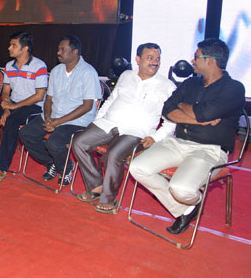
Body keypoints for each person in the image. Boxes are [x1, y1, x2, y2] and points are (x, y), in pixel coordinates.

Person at [129, 38, 245, 234]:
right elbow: (168, 109)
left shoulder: (234, 88)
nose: (192, 61)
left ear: (210, 60)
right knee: (137, 167)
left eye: (196, 57)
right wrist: (199, 118)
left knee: (181, 189)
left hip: (209, 149)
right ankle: (186, 209)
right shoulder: (190, 83)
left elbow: (206, 113)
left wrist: (183, 107)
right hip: (177, 142)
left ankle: (190, 202)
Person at [72, 43, 176, 212]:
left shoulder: (167, 87)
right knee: (79, 142)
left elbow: (172, 121)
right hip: (109, 123)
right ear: (138, 59)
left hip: (137, 132)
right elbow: (112, 99)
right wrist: (97, 119)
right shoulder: (127, 75)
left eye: (158, 59)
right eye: (150, 58)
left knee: (113, 155)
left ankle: (109, 198)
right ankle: (96, 185)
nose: (155, 62)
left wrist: (155, 137)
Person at [18, 35, 101, 185]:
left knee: (54, 143)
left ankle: (66, 168)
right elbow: (49, 99)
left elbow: (87, 106)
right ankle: (52, 163)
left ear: (75, 52)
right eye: (58, 49)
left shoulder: (88, 72)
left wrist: (58, 122)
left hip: (77, 121)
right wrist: (48, 118)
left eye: (63, 49)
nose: (58, 52)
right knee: (26, 134)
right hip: (54, 115)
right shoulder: (56, 71)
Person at [0, 32, 48, 186]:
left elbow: (39, 96)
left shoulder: (39, 66)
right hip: (13, 103)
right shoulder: (9, 65)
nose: (9, 48)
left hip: (33, 106)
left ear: (25, 48)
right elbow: (6, 91)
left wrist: (13, 107)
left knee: (12, 122)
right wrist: (7, 107)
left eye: (13, 45)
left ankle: (0, 168)